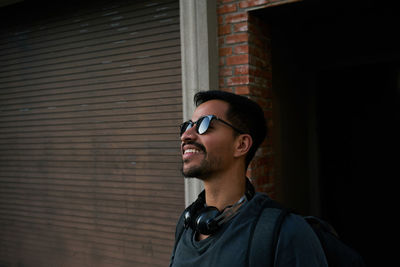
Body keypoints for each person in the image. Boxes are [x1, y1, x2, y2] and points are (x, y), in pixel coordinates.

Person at [169, 90, 328, 266]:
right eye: (187, 126)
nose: (186, 136)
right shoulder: (187, 225)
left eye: (204, 125)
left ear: (242, 145)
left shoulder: (286, 232)